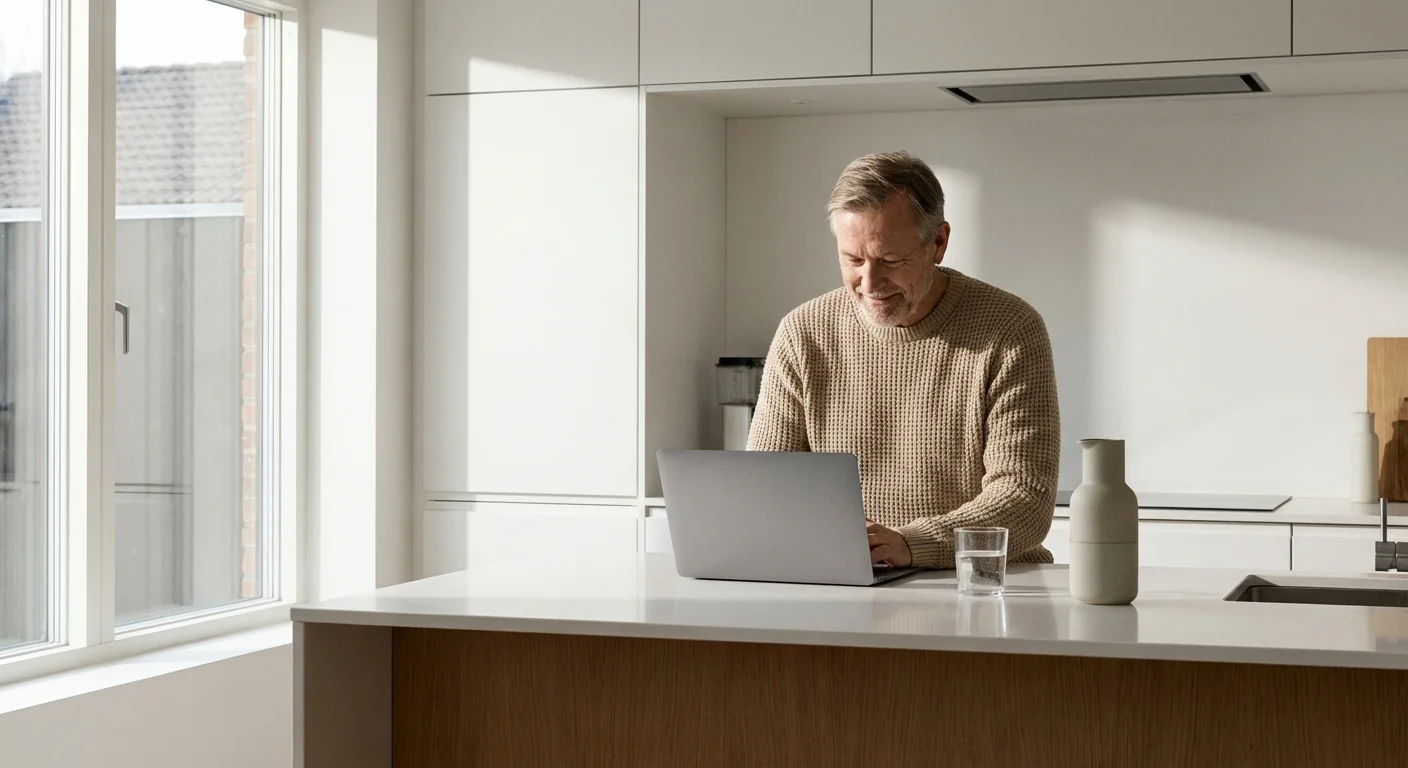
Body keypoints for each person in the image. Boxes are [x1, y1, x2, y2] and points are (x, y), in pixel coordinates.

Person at [746, 151, 1061, 569]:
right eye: (852, 260)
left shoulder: (1009, 329)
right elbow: (767, 485)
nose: (870, 283)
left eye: (890, 260)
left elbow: (1023, 498)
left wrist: (911, 544)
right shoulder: (803, 333)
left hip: (985, 585)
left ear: (938, 243)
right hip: (851, 577)